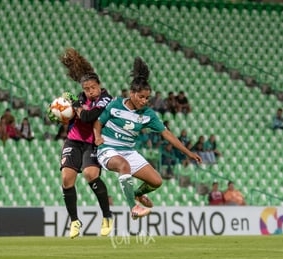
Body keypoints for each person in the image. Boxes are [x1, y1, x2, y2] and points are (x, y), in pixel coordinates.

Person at [93, 57, 202, 219]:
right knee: (124, 166)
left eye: (147, 98)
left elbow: (167, 134)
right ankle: (134, 208)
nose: (144, 101)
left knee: (156, 181)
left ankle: (137, 194)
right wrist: (97, 137)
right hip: (107, 148)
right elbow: (98, 123)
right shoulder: (115, 104)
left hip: (128, 151)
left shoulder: (148, 114)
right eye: (141, 97)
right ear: (132, 93)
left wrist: (188, 152)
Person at [51, 48, 114, 239]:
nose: (89, 92)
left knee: (90, 174)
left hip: (92, 143)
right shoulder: (81, 97)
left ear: (99, 85)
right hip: (74, 140)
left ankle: (107, 216)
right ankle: (75, 221)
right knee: (66, 179)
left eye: (92, 88)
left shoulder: (106, 99)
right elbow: (74, 114)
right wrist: (62, 114)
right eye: (86, 89)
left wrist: (76, 107)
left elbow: (87, 117)